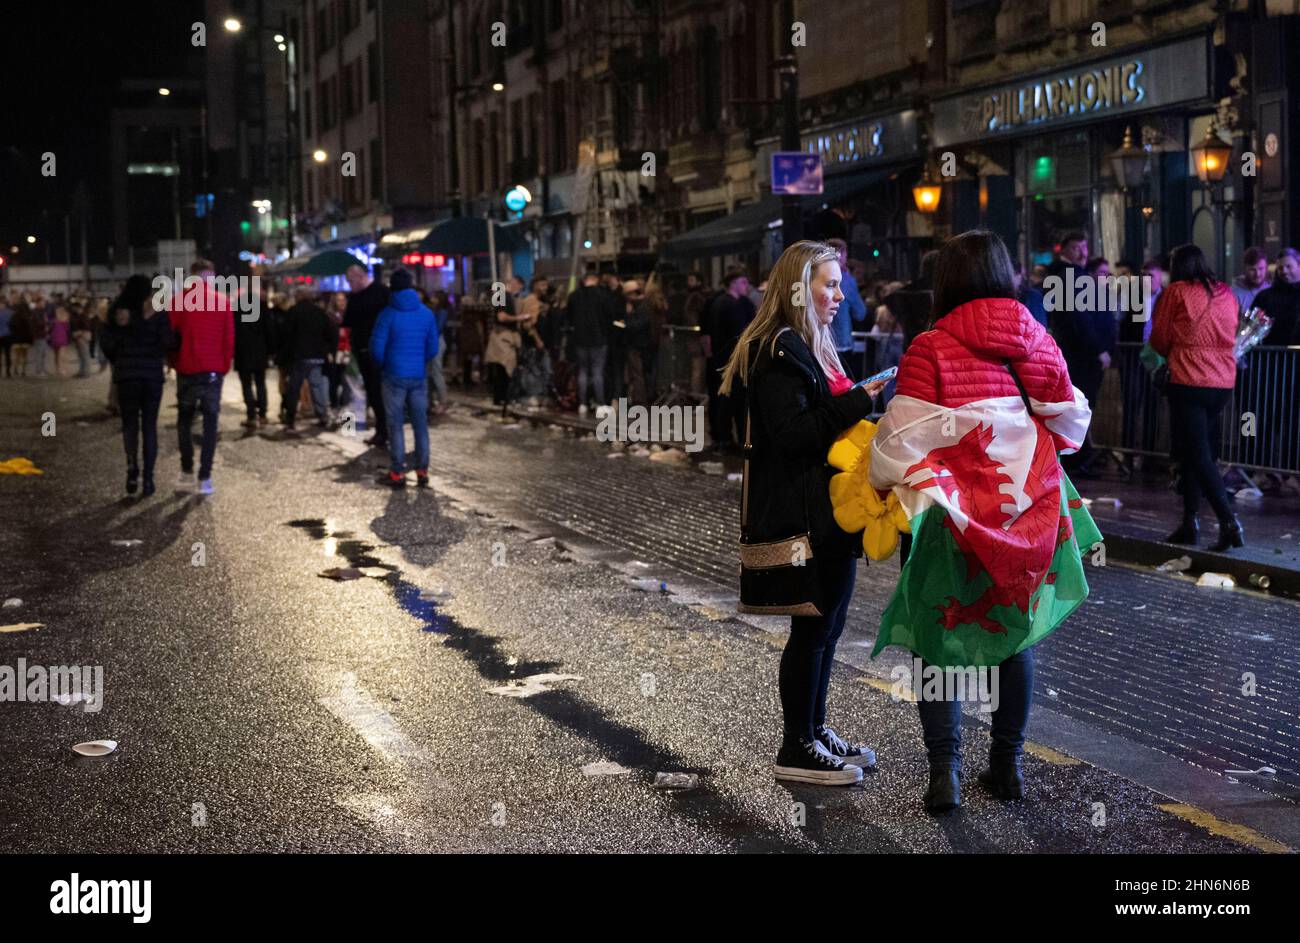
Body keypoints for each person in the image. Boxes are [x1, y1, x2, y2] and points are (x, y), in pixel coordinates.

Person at [869, 230, 1094, 813]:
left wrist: (877, 478)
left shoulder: (930, 346)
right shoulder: (1034, 338)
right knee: (1013, 634)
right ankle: (1007, 764)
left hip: (949, 520)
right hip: (1026, 514)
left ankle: (944, 771)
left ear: (945, 279)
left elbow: (900, 438)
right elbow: (1069, 424)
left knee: (934, 637)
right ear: (1004, 272)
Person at [719, 240, 888, 786]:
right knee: (813, 625)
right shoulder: (777, 348)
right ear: (798, 287)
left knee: (829, 624)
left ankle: (813, 729)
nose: (840, 295)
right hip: (803, 512)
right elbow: (792, 436)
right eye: (829, 285)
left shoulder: (804, 343)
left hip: (825, 508)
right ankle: (796, 747)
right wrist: (860, 399)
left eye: (841, 284)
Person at [1150, 245, 1244, 551]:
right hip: (1223, 382)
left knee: (1199, 454)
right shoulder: (1227, 293)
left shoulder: (1176, 292)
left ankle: (1229, 521)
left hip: (1189, 379)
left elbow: (1160, 338)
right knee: (1194, 452)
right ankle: (1190, 523)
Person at [100, 275, 172, 497]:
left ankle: (132, 467)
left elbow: (107, 345)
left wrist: (119, 359)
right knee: (149, 427)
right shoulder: (157, 313)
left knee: (130, 425)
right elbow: (168, 343)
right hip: (151, 377)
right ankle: (149, 479)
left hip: (127, 377)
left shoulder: (119, 313)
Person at [168, 259, 235, 495]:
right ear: (212, 276)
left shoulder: (178, 302)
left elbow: (169, 339)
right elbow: (228, 341)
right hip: (213, 371)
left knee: (184, 421)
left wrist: (175, 363)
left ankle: (186, 472)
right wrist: (224, 367)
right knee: (210, 423)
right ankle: (204, 477)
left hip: (187, 369)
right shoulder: (223, 302)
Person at [371, 268, 439, 487]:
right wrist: (419, 362)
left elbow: (376, 349)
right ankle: (422, 470)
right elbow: (433, 348)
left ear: (393, 288)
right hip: (418, 376)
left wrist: (386, 364)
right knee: (421, 423)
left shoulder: (387, 314)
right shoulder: (426, 313)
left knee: (396, 424)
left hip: (393, 376)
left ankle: (398, 472)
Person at [1050, 249, 1115, 476]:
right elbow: (1083, 322)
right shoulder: (1079, 289)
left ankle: (1080, 456)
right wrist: (1099, 350)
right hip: (1083, 359)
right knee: (1080, 406)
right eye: (1101, 273)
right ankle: (1078, 457)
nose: (1104, 277)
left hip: (1087, 358)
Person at [704, 270, 756, 449]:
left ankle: (733, 437)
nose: (746, 286)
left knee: (735, 401)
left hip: (734, 360)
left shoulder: (742, 303)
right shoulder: (724, 304)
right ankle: (726, 438)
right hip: (728, 360)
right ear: (733, 283)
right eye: (742, 282)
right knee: (728, 401)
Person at [343, 262, 392, 448]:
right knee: (372, 392)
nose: (349, 285)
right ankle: (381, 431)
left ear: (359, 276)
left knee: (380, 392)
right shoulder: (355, 296)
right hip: (362, 351)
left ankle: (386, 431)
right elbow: (349, 321)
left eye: (350, 281)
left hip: (378, 351)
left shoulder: (380, 292)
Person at [281, 287, 339, 433]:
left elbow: (286, 336)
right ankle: (323, 416)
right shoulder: (320, 313)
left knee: (294, 389)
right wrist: (328, 350)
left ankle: (290, 421)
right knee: (317, 386)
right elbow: (331, 333)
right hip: (317, 356)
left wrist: (284, 357)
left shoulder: (293, 312)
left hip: (299, 357)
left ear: (299, 296)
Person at [565, 273, 612, 413]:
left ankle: (583, 403)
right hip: (598, 339)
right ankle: (600, 403)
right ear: (596, 280)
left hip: (580, 339)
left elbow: (569, 317)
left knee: (583, 371)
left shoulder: (573, 296)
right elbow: (608, 316)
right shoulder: (602, 295)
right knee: (597, 371)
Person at [825, 238, 868, 378]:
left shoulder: (813, 277)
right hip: (841, 344)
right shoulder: (846, 281)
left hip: (819, 343)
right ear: (842, 256)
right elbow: (860, 313)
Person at [235, 287, 274, 429]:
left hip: (243, 352)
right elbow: (270, 330)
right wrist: (270, 351)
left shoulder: (236, 308)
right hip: (260, 352)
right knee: (260, 383)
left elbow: (234, 330)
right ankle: (263, 415)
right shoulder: (263, 307)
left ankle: (251, 415)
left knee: (246, 385)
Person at [1251, 247, 1300, 349]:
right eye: (1280, 268)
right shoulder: (1265, 297)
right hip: (1271, 359)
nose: (1284, 271)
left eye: (1288, 266)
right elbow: (1251, 328)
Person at [426, 290, 451, 415]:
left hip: (436, 342)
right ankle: (431, 401)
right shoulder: (435, 311)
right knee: (430, 373)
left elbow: (438, 329)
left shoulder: (441, 312)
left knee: (436, 372)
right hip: (434, 342)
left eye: (434, 297)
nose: (432, 299)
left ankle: (443, 401)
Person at [1230, 246, 1271, 313]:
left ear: (1266, 267)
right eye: (1252, 270)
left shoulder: (1271, 290)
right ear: (1244, 269)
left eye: (1261, 268)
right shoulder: (1233, 293)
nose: (1257, 274)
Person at [1012, 259, 1048, 328]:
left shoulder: (1032, 296)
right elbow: (1040, 326)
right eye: (1022, 275)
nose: (1025, 278)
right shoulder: (1032, 295)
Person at [0, 296, 12, 378]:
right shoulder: (11, 312)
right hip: (6, 335)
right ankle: (6, 371)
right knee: (6, 354)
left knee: (7, 354)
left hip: (7, 335)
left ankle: (8, 371)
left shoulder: (10, 313)